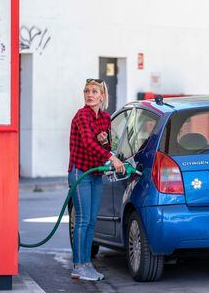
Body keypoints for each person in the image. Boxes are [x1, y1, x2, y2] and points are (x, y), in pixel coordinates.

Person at [68, 78, 125, 281]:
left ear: (102, 96)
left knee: (92, 221)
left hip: (95, 174)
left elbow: (106, 145)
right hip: (80, 172)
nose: (89, 95)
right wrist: (112, 157)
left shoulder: (106, 118)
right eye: (86, 91)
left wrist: (106, 142)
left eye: (94, 91)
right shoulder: (82, 115)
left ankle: (87, 264)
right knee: (82, 221)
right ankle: (78, 265)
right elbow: (88, 143)